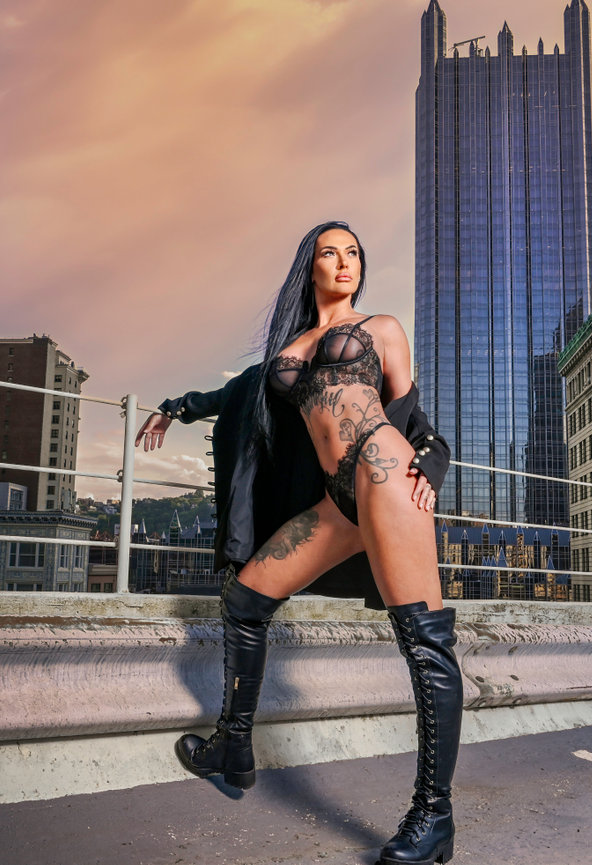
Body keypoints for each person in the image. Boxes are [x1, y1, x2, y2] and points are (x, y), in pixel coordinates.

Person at [136, 221, 462, 865]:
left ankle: (435, 816)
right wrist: (174, 406)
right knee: (246, 597)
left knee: (423, 640)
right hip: (335, 500)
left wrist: (433, 459)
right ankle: (233, 745)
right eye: (329, 252)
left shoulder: (381, 328)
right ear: (308, 267)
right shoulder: (287, 349)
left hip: (383, 471)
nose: (344, 262)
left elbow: (413, 413)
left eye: (353, 253)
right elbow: (234, 394)